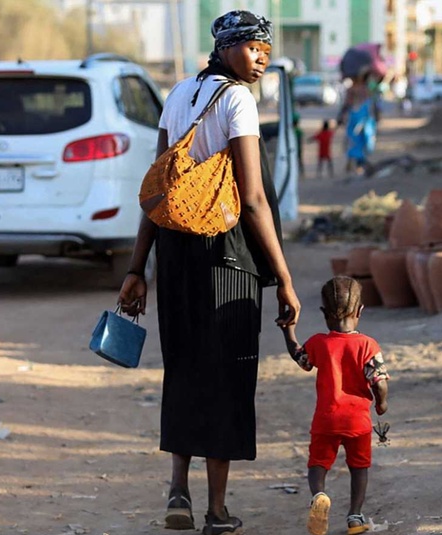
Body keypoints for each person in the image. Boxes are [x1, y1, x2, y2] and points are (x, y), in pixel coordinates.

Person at [117, 10, 301, 535]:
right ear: (222, 49)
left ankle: (179, 491)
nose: (260, 56)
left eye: (265, 48)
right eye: (249, 46)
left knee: (185, 366)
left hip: (175, 255)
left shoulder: (177, 95)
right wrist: (284, 279)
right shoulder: (238, 100)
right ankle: (217, 511)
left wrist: (138, 267)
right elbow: (254, 200)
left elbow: (158, 191)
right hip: (226, 257)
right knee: (226, 373)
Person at [280, 276, 389, 535]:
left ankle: (319, 495)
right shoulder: (367, 345)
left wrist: (288, 330)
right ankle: (355, 517)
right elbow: (380, 382)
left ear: (323, 313)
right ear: (360, 311)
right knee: (358, 467)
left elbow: (301, 358)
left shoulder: (319, 342)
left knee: (318, 464)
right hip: (357, 421)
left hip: (326, 419)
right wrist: (382, 404)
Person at [337, 73, 378, 175]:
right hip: (359, 119)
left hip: (359, 119)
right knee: (358, 142)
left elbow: (347, 105)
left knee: (356, 142)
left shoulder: (356, 90)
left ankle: (357, 164)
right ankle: (356, 165)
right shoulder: (365, 90)